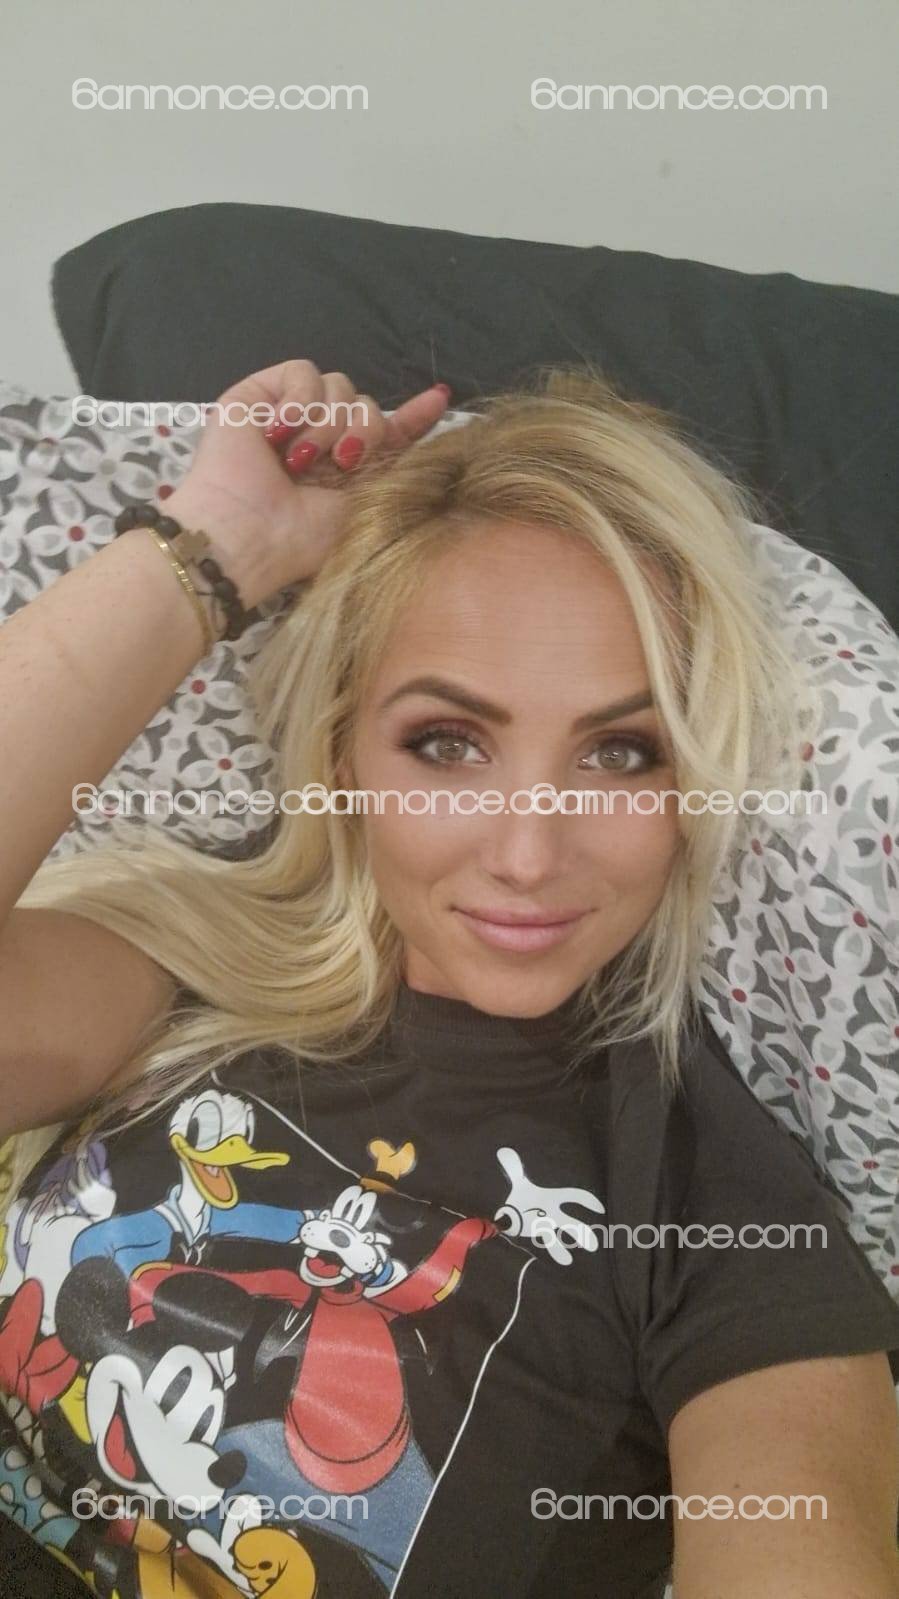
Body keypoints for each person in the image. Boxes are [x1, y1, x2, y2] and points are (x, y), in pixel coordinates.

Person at [0, 360, 897, 1599]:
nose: (527, 855)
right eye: (446, 743)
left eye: (621, 753)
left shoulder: (711, 1210)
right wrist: (217, 547)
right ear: (341, 754)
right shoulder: (184, 966)